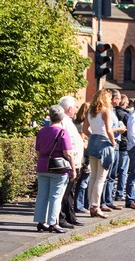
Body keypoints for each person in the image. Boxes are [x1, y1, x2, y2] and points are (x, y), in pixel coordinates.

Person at [34, 105, 76, 233]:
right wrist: (73, 169)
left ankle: (41, 222)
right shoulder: (63, 132)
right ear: (62, 117)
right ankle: (53, 222)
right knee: (55, 196)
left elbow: (38, 152)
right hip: (58, 168)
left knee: (42, 195)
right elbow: (68, 153)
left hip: (42, 166)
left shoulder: (41, 131)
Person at [83, 89, 116, 219]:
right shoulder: (106, 111)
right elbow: (108, 130)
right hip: (104, 144)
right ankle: (96, 206)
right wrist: (113, 142)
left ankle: (91, 205)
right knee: (101, 178)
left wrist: (93, 137)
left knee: (93, 176)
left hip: (93, 142)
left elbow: (85, 130)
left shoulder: (90, 112)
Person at [58, 96, 85, 228]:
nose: (75, 110)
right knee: (65, 191)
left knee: (70, 192)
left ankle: (70, 216)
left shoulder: (67, 121)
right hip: (69, 162)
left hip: (74, 161)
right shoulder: (64, 122)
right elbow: (68, 144)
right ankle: (62, 217)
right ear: (69, 109)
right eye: (74, 107)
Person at [100, 90, 126, 212]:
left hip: (116, 143)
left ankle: (109, 200)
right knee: (107, 175)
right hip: (111, 144)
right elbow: (108, 129)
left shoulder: (114, 111)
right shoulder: (107, 111)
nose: (120, 101)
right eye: (118, 98)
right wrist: (119, 129)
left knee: (112, 176)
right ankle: (103, 202)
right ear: (112, 99)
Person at [74, 102, 91, 213]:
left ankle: (83, 203)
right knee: (84, 180)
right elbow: (83, 140)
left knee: (83, 180)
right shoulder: (83, 125)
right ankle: (79, 205)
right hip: (85, 154)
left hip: (81, 153)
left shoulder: (76, 123)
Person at [114, 93, 131, 202]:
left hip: (115, 143)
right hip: (124, 144)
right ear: (124, 103)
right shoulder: (126, 115)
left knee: (112, 172)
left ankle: (110, 193)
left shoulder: (112, 112)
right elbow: (131, 129)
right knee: (123, 171)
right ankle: (119, 193)